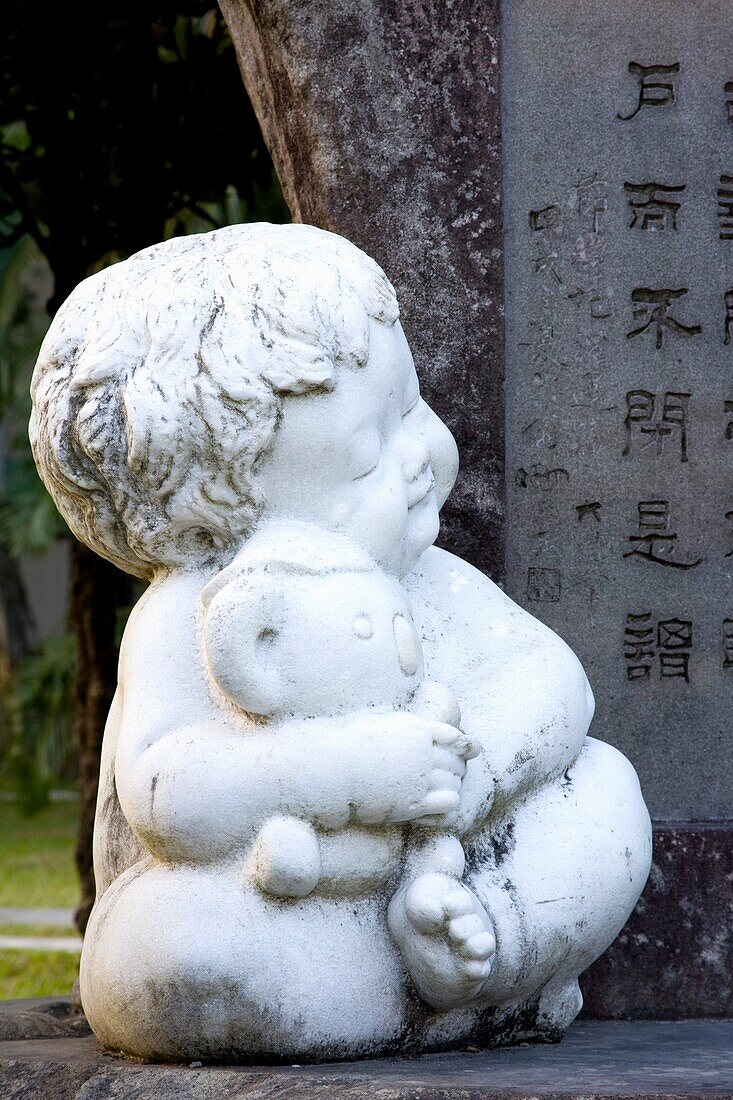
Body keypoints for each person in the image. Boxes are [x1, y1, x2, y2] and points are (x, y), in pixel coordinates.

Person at [30, 223, 651, 1061]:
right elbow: (167, 798)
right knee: (166, 950)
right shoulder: (187, 614)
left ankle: (482, 954)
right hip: (278, 894)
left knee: (603, 794)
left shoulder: (430, 579)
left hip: (455, 873)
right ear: (229, 519)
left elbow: (553, 684)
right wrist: (347, 773)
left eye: (411, 406)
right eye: (366, 456)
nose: (418, 455)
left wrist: (477, 777)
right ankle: (372, 991)